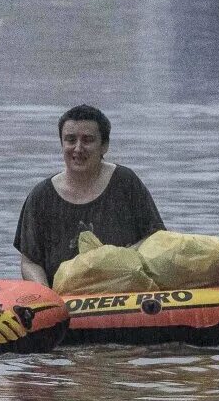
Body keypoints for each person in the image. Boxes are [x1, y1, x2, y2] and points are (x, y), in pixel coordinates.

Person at [11, 104, 164, 286]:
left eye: (87, 140)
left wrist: (116, 260)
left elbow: (156, 238)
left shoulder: (125, 182)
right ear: (62, 143)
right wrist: (47, 297)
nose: (78, 148)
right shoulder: (41, 196)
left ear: (104, 146)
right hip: (64, 299)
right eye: (70, 140)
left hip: (126, 295)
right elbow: (30, 262)